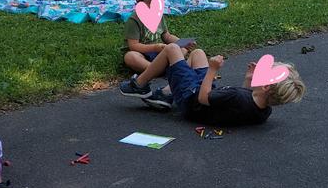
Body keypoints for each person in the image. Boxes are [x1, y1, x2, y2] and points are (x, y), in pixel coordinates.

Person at [119, 42, 305, 126]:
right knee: (198, 54)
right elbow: (245, 100)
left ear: (265, 86)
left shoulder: (236, 97)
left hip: (191, 98)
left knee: (173, 49)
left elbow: (203, 97)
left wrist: (213, 70)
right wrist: (249, 79)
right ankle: (167, 94)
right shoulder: (263, 109)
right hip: (204, 96)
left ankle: (140, 85)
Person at [123, 0, 194, 109]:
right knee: (130, 56)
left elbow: (166, 36)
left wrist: (181, 42)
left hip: (160, 52)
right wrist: (155, 47)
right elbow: (133, 45)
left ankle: (162, 68)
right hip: (143, 53)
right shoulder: (134, 19)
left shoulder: (159, 16)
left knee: (182, 50)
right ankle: (155, 70)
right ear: (138, 1)